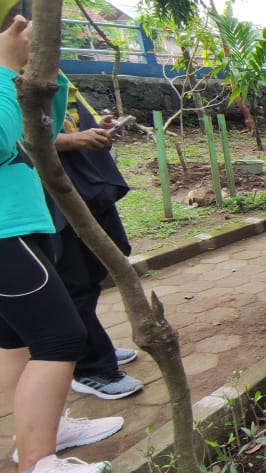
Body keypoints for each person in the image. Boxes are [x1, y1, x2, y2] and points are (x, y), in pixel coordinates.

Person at [0, 9, 119, 473]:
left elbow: (39, 133)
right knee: (60, 336)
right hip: (5, 230)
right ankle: (38, 461)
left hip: (20, 224)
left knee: (17, 341)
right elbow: (7, 139)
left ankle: (40, 432)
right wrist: (8, 67)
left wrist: (43, 70)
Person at [49, 74, 142, 400]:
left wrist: (95, 130)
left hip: (87, 185)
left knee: (96, 267)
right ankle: (90, 367)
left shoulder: (54, 75)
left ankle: (93, 344)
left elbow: (63, 124)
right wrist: (72, 141)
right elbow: (20, 138)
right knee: (74, 279)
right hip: (55, 193)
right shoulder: (13, 81)